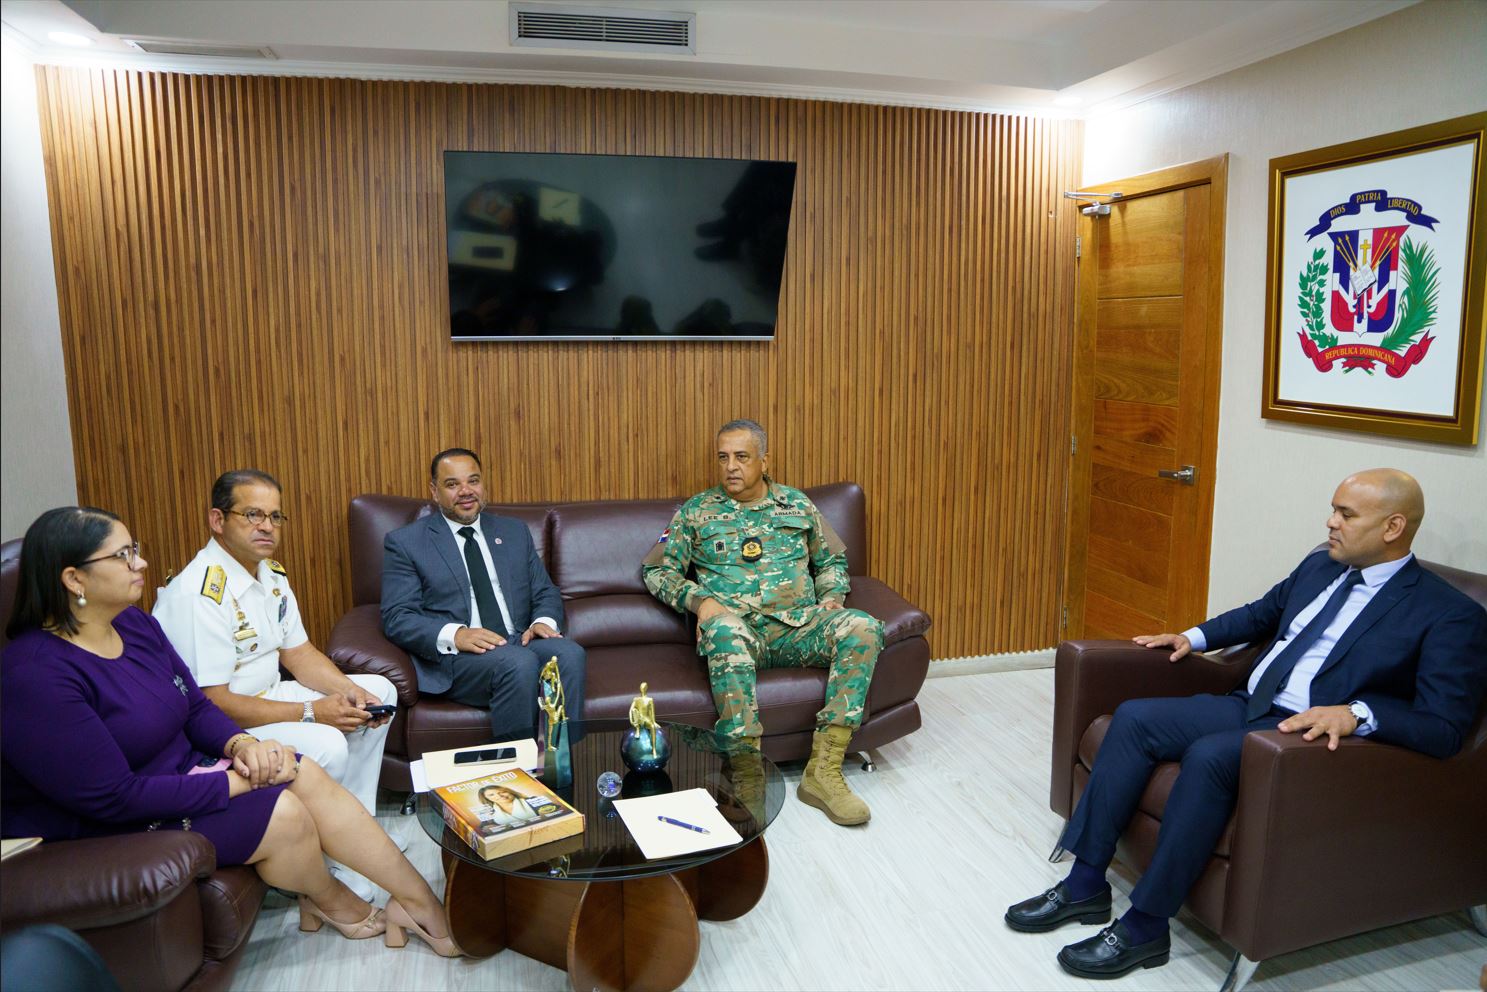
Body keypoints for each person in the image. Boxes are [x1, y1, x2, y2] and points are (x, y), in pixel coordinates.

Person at [1004, 469, 1487, 979]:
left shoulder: (1449, 614)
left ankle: (1146, 926)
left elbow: (1445, 726)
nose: (1330, 522)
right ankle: (1085, 885)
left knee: (1210, 756)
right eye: (1334, 509)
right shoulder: (1321, 566)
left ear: (1393, 527)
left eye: (1346, 514)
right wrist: (1193, 636)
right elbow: (1262, 614)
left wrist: (1357, 714)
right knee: (1134, 717)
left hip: (1303, 738)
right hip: (1253, 703)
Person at [1, 507, 460, 957]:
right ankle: (331, 898)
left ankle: (419, 903)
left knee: (303, 773)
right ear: (74, 579)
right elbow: (112, 798)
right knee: (285, 813)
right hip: (105, 823)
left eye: (134, 549)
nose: (140, 562)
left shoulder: (134, 625)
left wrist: (244, 744)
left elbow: (194, 706)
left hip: (182, 775)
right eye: (122, 555)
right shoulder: (35, 673)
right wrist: (239, 780)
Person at [153, 469, 399, 903]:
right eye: (252, 515)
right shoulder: (198, 594)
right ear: (217, 520)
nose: (267, 526)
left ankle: (356, 831)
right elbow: (211, 704)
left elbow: (298, 654)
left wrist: (345, 690)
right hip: (223, 725)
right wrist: (311, 712)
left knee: (379, 692)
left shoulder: (270, 574)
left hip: (269, 693)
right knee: (329, 741)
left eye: (275, 516)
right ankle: (317, 856)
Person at [642, 418, 884, 826]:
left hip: (800, 628)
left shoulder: (798, 505)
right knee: (723, 629)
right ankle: (747, 775)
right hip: (737, 631)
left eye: (741, 457)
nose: (730, 467)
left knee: (862, 626)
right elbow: (656, 572)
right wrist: (700, 602)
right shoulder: (697, 511)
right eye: (722, 458)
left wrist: (831, 597)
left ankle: (823, 772)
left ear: (764, 460)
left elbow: (832, 561)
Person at [381, 448, 586, 743]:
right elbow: (397, 617)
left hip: (517, 641)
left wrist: (543, 621)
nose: (466, 492)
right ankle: (517, 774)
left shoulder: (513, 532)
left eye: (473, 481)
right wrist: (456, 634)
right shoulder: (406, 543)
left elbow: (545, 590)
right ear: (434, 492)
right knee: (518, 663)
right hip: (460, 658)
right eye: (452, 484)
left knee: (568, 653)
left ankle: (562, 764)